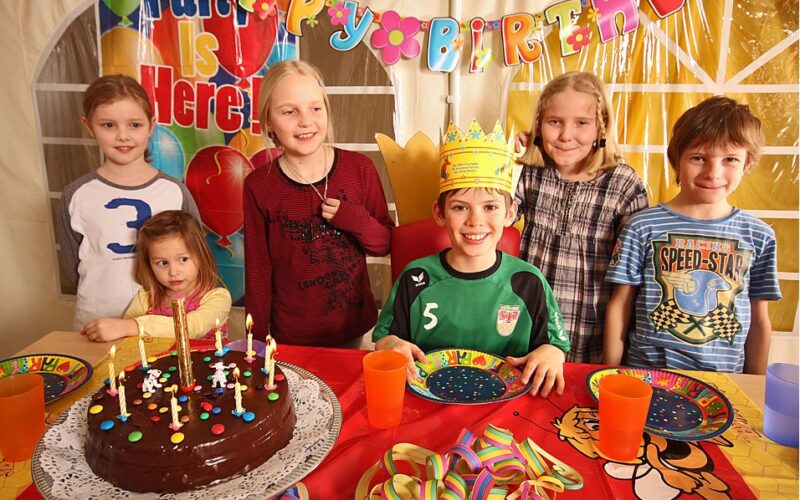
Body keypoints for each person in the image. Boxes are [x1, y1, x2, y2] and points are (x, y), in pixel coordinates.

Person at [373, 120, 570, 397]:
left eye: (490, 207)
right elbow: (384, 338)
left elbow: (555, 345)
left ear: (510, 213)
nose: (475, 221)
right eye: (460, 207)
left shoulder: (528, 282)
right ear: (440, 213)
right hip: (427, 399)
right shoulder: (416, 278)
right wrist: (392, 344)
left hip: (505, 406)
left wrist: (552, 353)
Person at [604, 96, 781, 374]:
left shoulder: (759, 235)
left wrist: (756, 387)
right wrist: (610, 372)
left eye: (730, 159)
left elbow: (759, 321)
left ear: (747, 164)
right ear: (676, 159)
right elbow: (620, 305)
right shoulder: (642, 226)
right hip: (646, 375)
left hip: (725, 382)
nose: (713, 173)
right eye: (699, 158)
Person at [244, 60, 393, 347]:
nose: (305, 121)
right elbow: (258, 271)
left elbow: (384, 243)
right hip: (291, 333)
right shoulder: (258, 185)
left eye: (315, 108)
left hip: (351, 328)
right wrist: (257, 341)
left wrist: (355, 219)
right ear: (268, 124)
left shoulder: (359, 168)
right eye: (289, 112)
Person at [515, 71, 648, 363]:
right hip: (530, 324)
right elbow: (496, 213)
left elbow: (634, 272)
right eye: (554, 122)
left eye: (582, 123)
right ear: (538, 125)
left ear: (601, 128)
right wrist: (504, 157)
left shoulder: (623, 183)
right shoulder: (529, 173)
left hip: (592, 329)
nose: (565, 135)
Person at [57, 75, 199, 331]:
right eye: (108, 125)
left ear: (151, 125)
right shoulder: (76, 195)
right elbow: (73, 265)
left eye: (134, 124)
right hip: (96, 323)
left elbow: (196, 257)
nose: (123, 136)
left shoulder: (173, 192)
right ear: (89, 126)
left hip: (161, 325)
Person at [82, 210, 231, 342]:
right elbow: (127, 339)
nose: (173, 272)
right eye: (162, 263)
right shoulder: (146, 298)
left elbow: (192, 328)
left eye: (183, 259)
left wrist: (132, 326)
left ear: (201, 256)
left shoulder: (218, 297)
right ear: (149, 265)